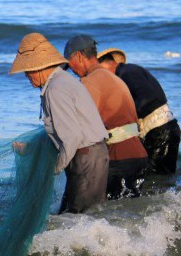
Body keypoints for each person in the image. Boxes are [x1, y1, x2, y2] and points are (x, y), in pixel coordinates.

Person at [10, 33, 109, 213]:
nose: (26, 77)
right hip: (91, 156)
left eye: (27, 71)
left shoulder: (55, 89)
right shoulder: (61, 81)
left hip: (86, 158)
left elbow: (72, 137)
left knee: (79, 220)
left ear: (38, 67)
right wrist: (30, 149)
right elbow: (62, 133)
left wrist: (54, 168)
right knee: (77, 217)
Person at [64, 35, 148, 199]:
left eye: (70, 64)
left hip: (120, 158)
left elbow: (81, 124)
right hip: (138, 155)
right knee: (129, 214)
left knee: (106, 214)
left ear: (79, 57)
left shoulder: (90, 81)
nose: (72, 71)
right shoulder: (113, 77)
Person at [97, 48, 181, 175]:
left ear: (108, 65)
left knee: (154, 179)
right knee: (164, 177)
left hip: (159, 132)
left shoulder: (126, 74)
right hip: (168, 127)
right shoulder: (132, 70)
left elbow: (145, 99)